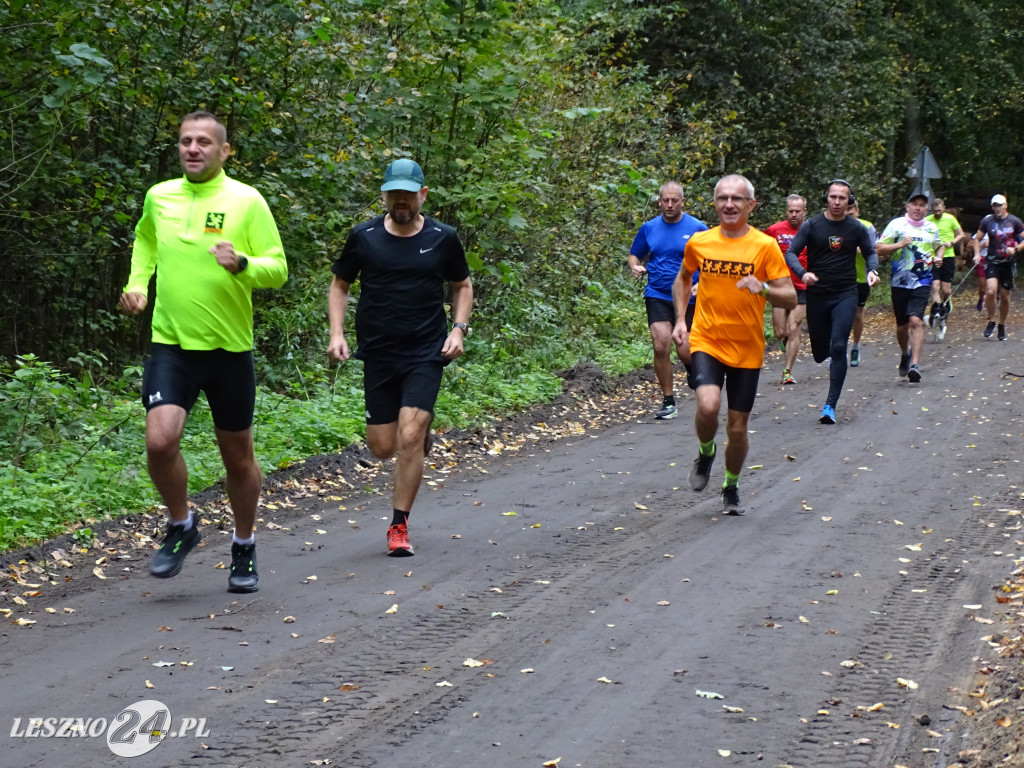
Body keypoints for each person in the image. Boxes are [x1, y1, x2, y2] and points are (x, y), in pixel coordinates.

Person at [119, 111, 288, 593]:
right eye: (185, 142)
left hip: (229, 349)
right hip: (171, 344)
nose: (192, 149)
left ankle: (244, 544)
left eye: (203, 143)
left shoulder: (247, 201)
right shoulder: (160, 196)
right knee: (159, 441)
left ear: (224, 151)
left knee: (238, 457)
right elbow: (146, 239)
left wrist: (243, 264)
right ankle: (181, 524)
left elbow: (277, 269)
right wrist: (136, 284)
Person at [328, 159, 472, 556]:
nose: (401, 201)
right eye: (395, 194)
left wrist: (458, 328)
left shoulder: (443, 237)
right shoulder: (364, 237)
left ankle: (398, 526)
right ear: (385, 195)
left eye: (409, 194)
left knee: (409, 437)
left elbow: (462, 285)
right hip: (378, 353)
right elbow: (340, 285)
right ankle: (418, 429)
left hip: (426, 350)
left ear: (423, 195)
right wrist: (337, 334)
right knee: (381, 447)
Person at [672, 174, 796, 515]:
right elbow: (683, 278)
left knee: (738, 427)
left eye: (737, 199)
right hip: (707, 338)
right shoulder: (700, 242)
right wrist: (681, 319)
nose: (729, 204)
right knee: (708, 405)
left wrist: (765, 289)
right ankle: (706, 451)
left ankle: (731, 485)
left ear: (751, 205)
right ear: (715, 203)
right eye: (723, 198)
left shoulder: (764, 246)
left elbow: (790, 294)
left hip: (747, 347)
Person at [782, 180, 879, 424]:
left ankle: (829, 406)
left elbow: (870, 252)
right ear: (826, 197)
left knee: (838, 347)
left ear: (850, 201)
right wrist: (802, 273)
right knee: (819, 353)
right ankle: (824, 354)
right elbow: (790, 252)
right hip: (817, 295)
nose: (837, 202)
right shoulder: (812, 225)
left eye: (842, 198)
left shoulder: (856, 228)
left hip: (845, 293)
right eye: (833, 197)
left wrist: (872, 270)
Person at [628, 182, 708, 418]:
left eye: (675, 200)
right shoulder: (649, 228)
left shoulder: (698, 228)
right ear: (659, 201)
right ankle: (668, 400)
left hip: (688, 297)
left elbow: (712, 261)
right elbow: (635, 254)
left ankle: (693, 369)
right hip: (658, 293)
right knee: (661, 343)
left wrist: (700, 283)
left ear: (683, 201)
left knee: (684, 348)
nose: (670, 205)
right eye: (666, 200)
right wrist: (635, 267)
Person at [876, 192, 944, 381]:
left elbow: (940, 246)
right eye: (914, 204)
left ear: (926, 209)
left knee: (916, 321)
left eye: (922, 205)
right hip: (900, 281)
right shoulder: (896, 225)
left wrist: (938, 257)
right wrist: (899, 244)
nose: (918, 208)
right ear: (908, 207)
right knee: (902, 325)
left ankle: (915, 365)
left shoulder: (931, 228)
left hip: (922, 281)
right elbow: (879, 248)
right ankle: (905, 353)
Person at [764, 194, 808, 384]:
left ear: (804, 212)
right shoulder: (774, 230)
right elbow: (761, 252)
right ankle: (784, 341)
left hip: (803, 288)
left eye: (798, 211)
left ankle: (787, 372)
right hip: (780, 287)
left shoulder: (812, 230)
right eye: (790, 211)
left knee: (793, 327)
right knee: (780, 332)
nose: (794, 214)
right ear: (786, 211)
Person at [973, 194, 1024, 341]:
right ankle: (992, 321)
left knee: (1005, 297)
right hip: (992, 260)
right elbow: (976, 239)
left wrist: (1015, 249)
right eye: (995, 205)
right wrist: (977, 254)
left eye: (1000, 205)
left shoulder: (1014, 221)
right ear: (992, 207)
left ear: (1005, 205)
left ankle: (1002, 324)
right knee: (990, 291)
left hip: (1007, 262)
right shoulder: (987, 221)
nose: (998, 208)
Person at [924, 198, 966, 333]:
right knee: (935, 287)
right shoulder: (928, 220)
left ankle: (947, 302)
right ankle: (937, 310)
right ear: (932, 210)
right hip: (933, 256)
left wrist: (952, 242)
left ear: (944, 208)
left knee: (946, 289)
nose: (937, 213)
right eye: (935, 211)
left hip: (948, 256)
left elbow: (961, 234)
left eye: (940, 211)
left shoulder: (950, 218)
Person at [847, 200, 877, 365]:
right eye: (847, 209)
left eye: (853, 209)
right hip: (841, 278)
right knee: (841, 314)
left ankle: (855, 347)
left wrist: (874, 271)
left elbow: (873, 250)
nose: (850, 212)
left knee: (857, 314)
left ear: (858, 210)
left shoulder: (867, 227)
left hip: (861, 277)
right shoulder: (836, 226)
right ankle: (838, 348)